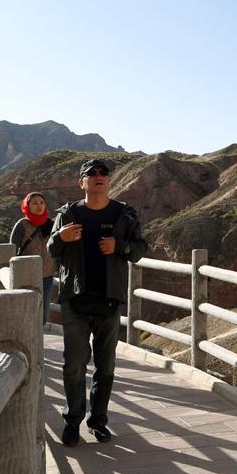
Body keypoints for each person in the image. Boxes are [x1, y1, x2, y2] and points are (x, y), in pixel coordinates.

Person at [48, 159, 147, 447]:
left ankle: (98, 421)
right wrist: (60, 236)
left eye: (103, 174)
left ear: (109, 181)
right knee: (74, 366)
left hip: (109, 302)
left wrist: (121, 246)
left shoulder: (123, 214)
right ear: (82, 183)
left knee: (105, 368)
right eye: (91, 174)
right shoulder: (68, 214)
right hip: (75, 302)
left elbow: (140, 249)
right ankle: (72, 421)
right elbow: (52, 249)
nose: (99, 177)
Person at [10, 192, 56, 325]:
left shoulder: (51, 224)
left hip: (46, 275)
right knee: (25, 310)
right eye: (34, 203)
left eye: (41, 202)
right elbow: (11, 249)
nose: (39, 206)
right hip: (25, 274)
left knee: (43, 313)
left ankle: (37, 342)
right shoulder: (22, 225)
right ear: (27, 205)